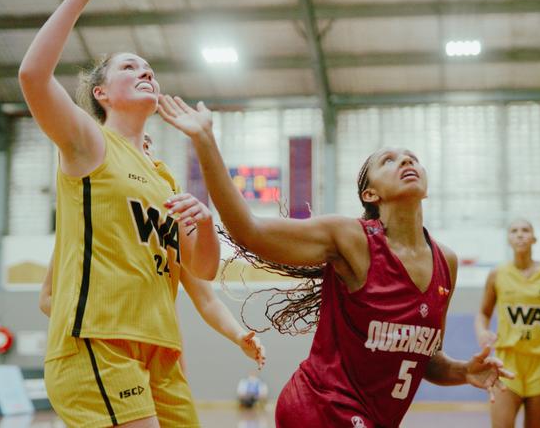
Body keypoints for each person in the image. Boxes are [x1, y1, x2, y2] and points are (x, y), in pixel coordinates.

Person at [157, 94, 514, 428]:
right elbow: (249, 230)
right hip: (321, 406)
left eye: (412, 158)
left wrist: (464, 371)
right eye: (389, 160)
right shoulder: (351, 239)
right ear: (370, 194)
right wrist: (205, 141)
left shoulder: (445, 262)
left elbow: (425, 358)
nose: (406, 161)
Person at [18, 0, 221, 426]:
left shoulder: (161, 174)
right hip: (100, 341)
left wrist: (208, 224)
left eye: (148, 67)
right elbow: (31, 74)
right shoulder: (88, 142)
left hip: (159, 353)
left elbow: (204, 269)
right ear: (100, 93)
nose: (145, 70)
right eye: (129, 66)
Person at [39, 133, 266, 371]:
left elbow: (207, 300)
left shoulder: (171, 221)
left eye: (148, 144)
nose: (145, 149)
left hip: (162, 354)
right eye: (137, 143)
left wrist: (238, 335)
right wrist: (100, 326)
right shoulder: (91, 218)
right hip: (107, 355)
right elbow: (47, 298)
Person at [476, 219, 540, 428]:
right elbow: (483, 313)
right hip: (507, 361)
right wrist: (482, 332)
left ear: (534, 238)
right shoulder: (497, 274)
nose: (520, 234)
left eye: (525, 230)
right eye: (514, 231)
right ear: (509, 239)